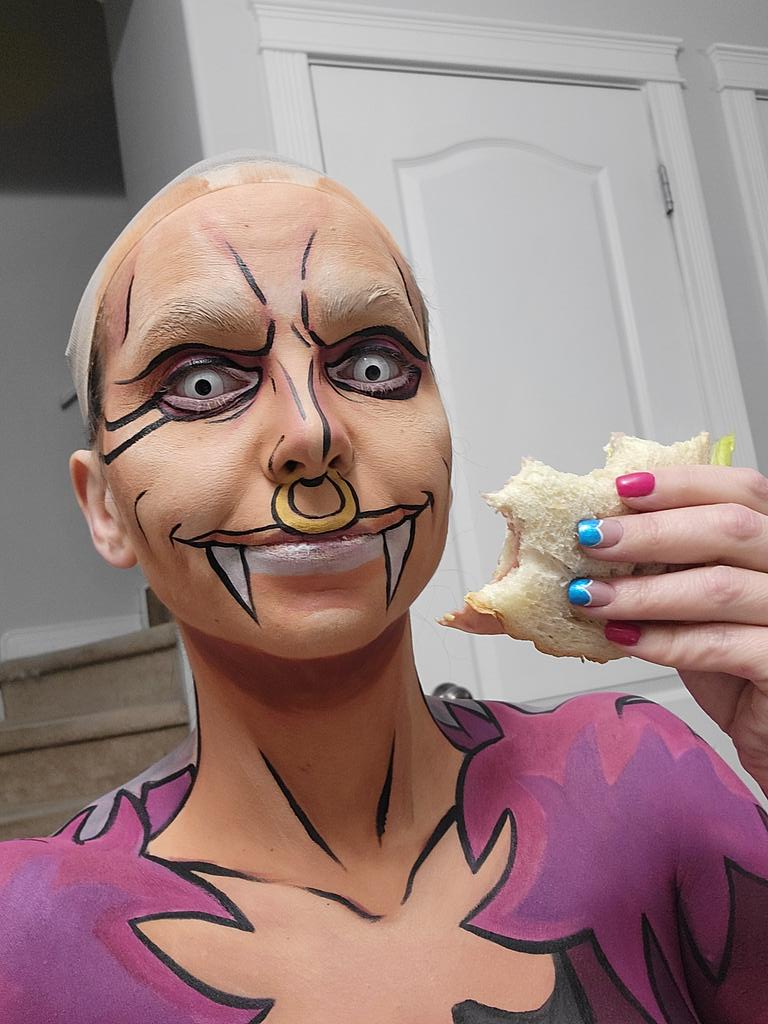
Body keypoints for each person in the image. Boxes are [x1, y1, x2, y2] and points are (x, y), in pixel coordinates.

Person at [1, 152, 766, 1023]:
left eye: (372, 366)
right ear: (104, 506)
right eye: (201, 382)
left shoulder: (641, 778)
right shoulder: (31, 937)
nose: (312, 433)